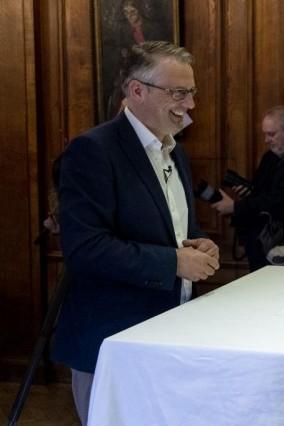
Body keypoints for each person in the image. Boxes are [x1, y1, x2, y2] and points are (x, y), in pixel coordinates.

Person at [53, 41, 219, 425]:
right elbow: (85, 248)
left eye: (191, 92)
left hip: (169, 337)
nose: (190, 104)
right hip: (112, 344)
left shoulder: (175, 152)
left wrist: (197, 241)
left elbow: (174, 227)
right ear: (137, 90)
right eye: (177, 93)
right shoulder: (92, 150)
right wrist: (175, 261)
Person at [212, 106, 284, 271]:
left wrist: (235, 207)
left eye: (271, 134)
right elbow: (262, 192)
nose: (266, 140)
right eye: (265, 134)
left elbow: (280, 200)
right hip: (263, 240)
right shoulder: (269, 157)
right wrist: (249, 192)